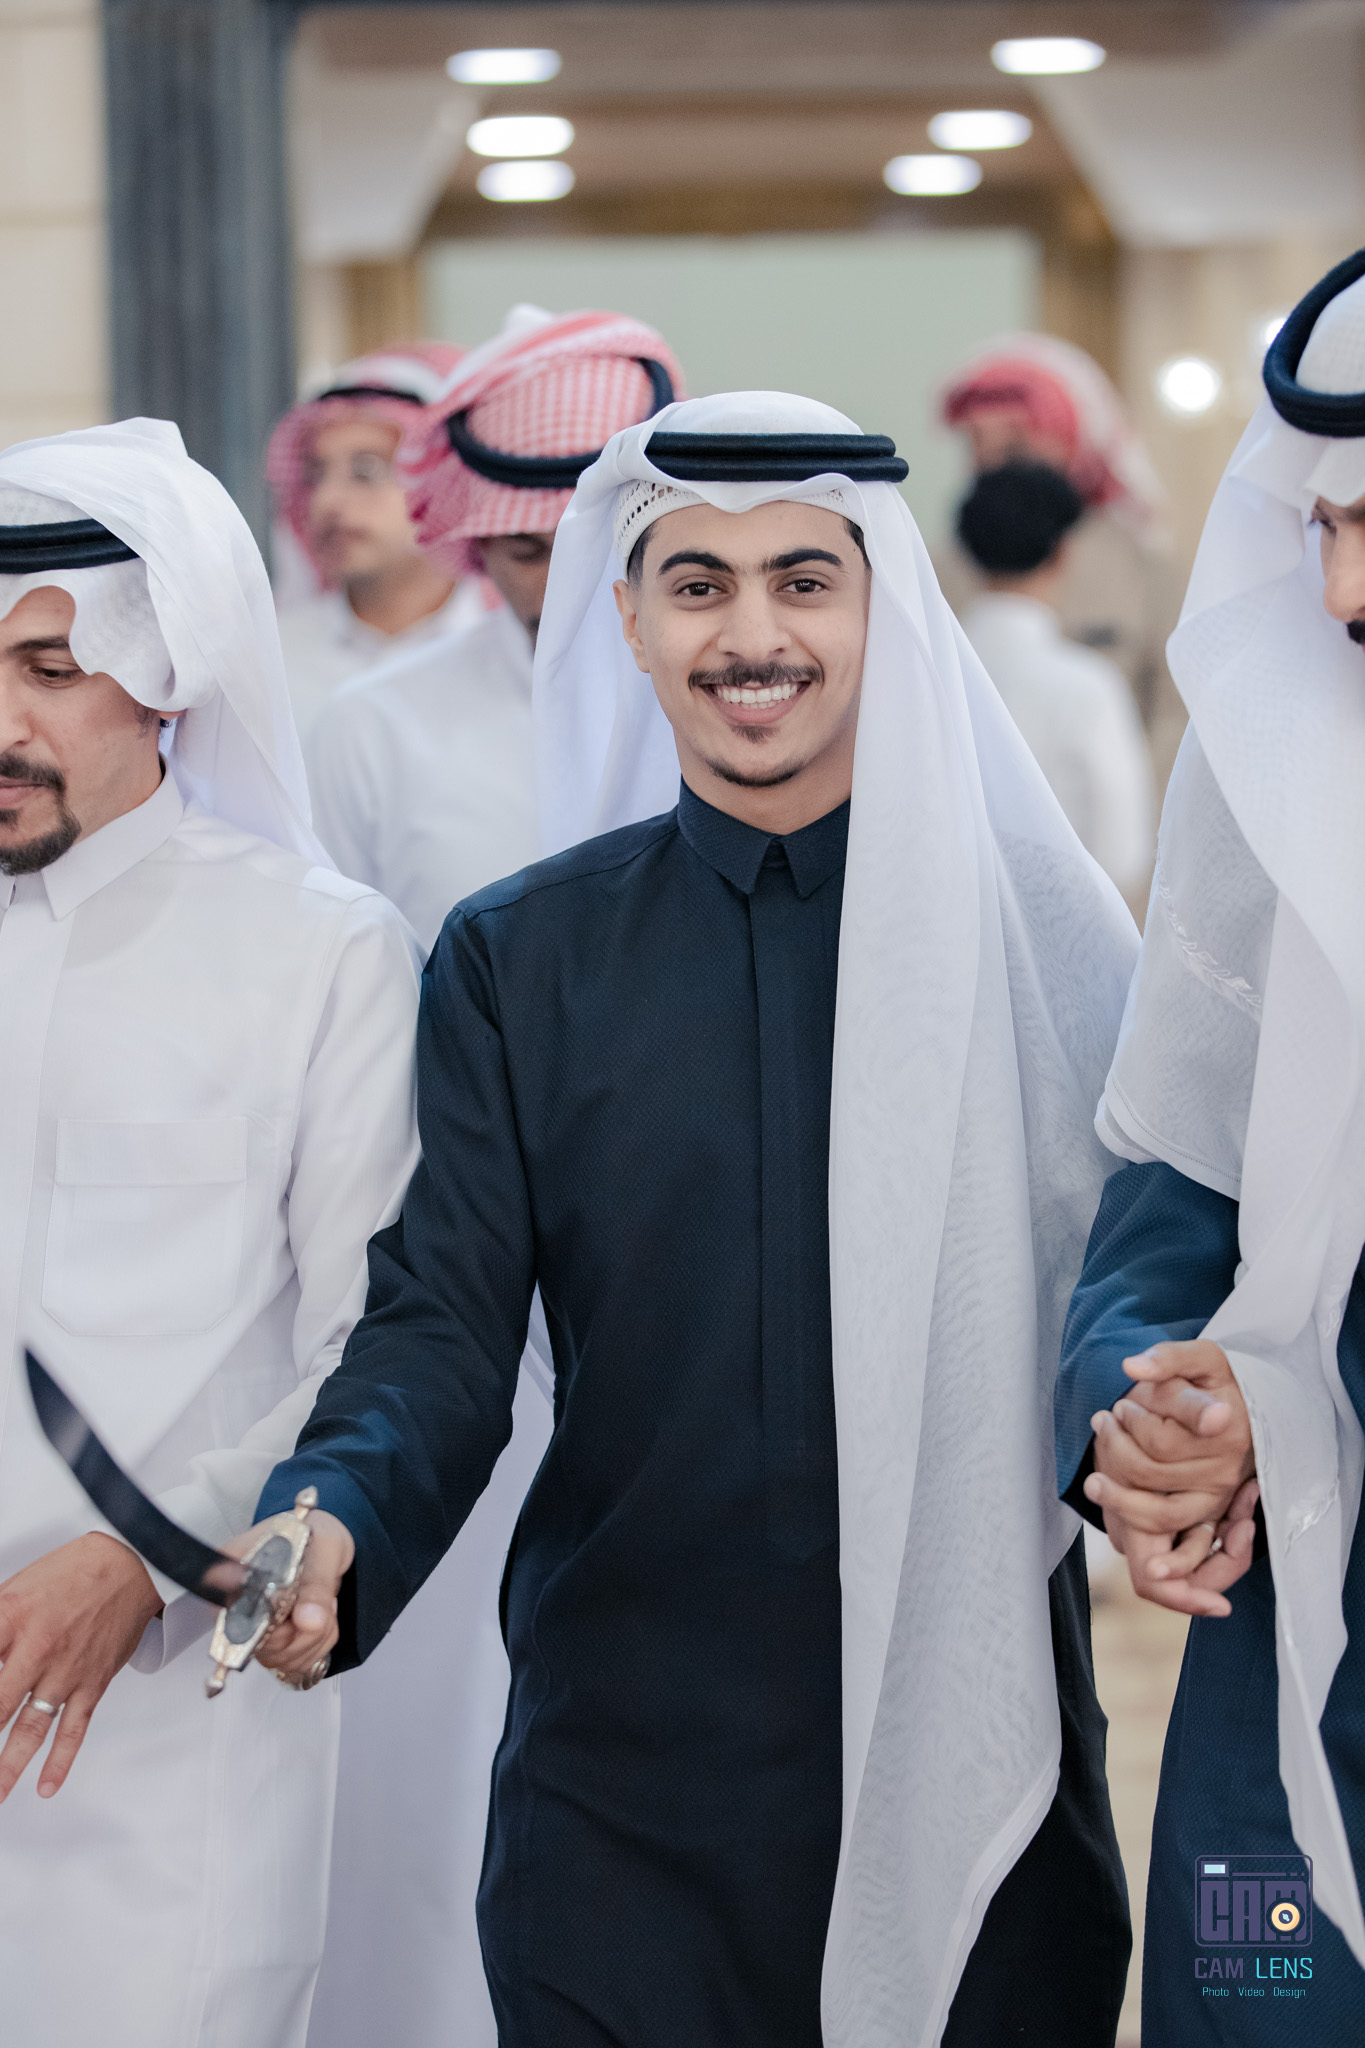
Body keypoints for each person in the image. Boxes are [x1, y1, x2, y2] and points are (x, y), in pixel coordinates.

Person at [244, 390, 1138, 2046]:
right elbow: (439, 1325)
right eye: (699, 584)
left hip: (968, 1741)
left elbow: (1122, 1296)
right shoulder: (521, 959)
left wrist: (1155, 1441)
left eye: (805, 580)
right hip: (621, 1784)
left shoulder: (1039, 946)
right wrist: (334, 1511)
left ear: (884, 611)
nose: (752, 635)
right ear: (630, 623)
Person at [0, 421, 419, 2048]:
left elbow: (373, 1336)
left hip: (164, 1708)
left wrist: (147, 1557)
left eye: (52, 669)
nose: (3, 720)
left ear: (169, 678)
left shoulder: (318, 952)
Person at [1055, 249, 1365, 2042]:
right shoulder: (1271, 782)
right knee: (1262, 1988)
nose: (1340, 591)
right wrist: (1147, 1410)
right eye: (1319, 525)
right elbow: (1168, 1196)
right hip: (1291, 1644)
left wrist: (1295, 1382)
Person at [305, 305, 685, 952]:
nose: (568, 588)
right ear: (478, 549)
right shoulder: (370, 727)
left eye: (595, 552)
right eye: (529, 553)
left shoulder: (732, 708)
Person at [937, 332, 1185, 786]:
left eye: (1015, 443)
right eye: (978, 441)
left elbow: (1175, 713)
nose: (994, 459)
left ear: (1073, 439)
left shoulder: (1141, 566)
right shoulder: (938, 569)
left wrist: (1128, 806)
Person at [266, 343, 488, 740]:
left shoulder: (509, 651)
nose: (326, 501)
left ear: (445, 481)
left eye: (366, 471)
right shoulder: (268, 661)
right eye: (316, 473)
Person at [958, 459, 1154, 901]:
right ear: (1064, 553)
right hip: (1065, 924)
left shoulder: (926, 670)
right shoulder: (1089, 686)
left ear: (966, 551)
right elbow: (1124, 853)